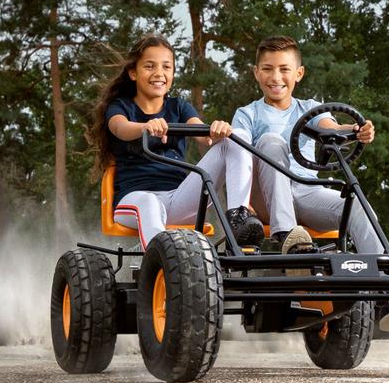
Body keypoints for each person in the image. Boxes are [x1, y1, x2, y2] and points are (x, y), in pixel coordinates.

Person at [87, 33, 263, 250]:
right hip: (136, 199)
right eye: (149, 66)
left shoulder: (178, 106)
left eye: (166, 67)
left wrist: (215, 132)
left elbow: (202, 134)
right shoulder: (121, 106)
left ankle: (238, 218)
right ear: (133, 73)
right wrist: (145, 127)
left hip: (178, 198)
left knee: (236, 137)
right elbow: (120, 128)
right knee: (149, 203)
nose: (159, 73)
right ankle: (163, 264)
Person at [232, 35, 383, 256]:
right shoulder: (247, 114)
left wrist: (355, 130)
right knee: (271, 141)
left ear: (298, 73)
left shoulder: (309, 108)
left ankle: (385, 275)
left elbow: (330, 128)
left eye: (284, 69)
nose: (276, 77)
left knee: (357, 204)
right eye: (267, 69)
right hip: (266, 197)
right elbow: (238, 158)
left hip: (306, 193)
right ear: (256, 72)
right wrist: (243, 204)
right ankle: (289, 238)